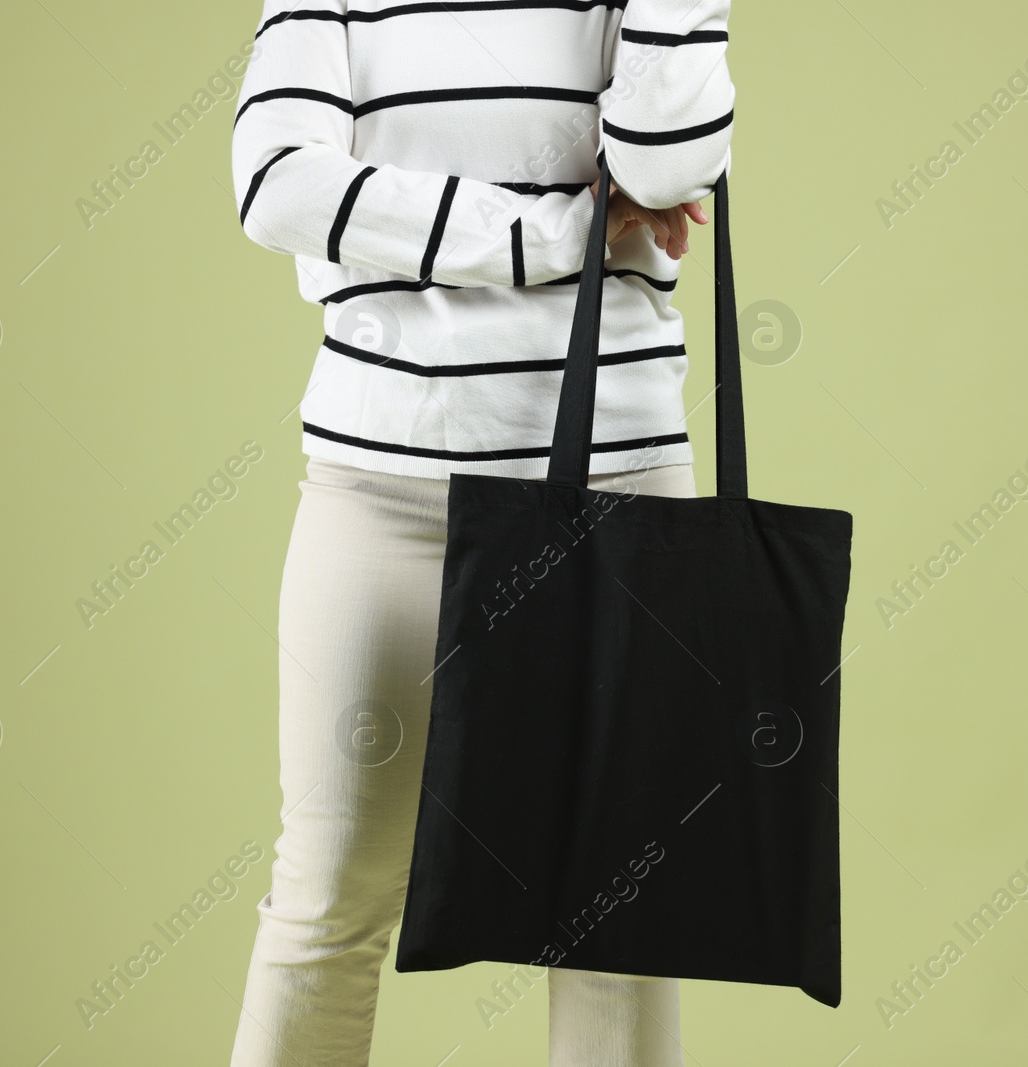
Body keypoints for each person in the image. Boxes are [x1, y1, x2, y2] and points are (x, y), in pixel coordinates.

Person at [226, 0, 733, 1063]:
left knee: (619, 912)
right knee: (330, 891)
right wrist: (556, 233)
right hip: (383, 493)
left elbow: (670, 158)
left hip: (621, 494)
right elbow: (276, 181)